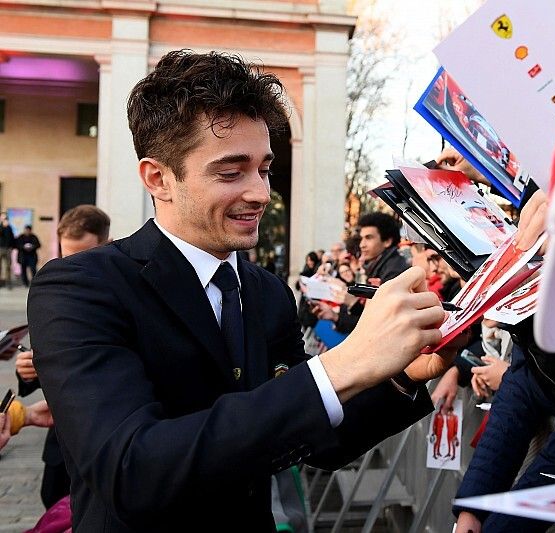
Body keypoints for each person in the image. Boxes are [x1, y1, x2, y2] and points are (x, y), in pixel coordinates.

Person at [28, 50, 453, 533]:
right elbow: (132, 471)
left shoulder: (266, 292)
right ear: (158, 178)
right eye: (231, 172)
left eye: (265, 169)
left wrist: (402, 376)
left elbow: (318, 439)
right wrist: (343, 364)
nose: (260, 193)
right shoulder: (81, 287)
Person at [16, 204, 111, 509]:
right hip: (60, 446)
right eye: (65, 254)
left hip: (109, 442)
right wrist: (28, 369)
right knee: (53, 506)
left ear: (106, 244)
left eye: (81, 254)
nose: (70, 264)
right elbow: (44, 358)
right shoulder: (56, 290)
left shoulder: (125, 291)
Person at [0, 213, 15, 288]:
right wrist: (2, 227)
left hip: (8, 249)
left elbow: (11, 237)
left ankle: (8, 283)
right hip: (0, 248)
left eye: (5, 218)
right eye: (2, 218)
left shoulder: (9, 227)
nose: (4, 219)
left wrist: (11, 247)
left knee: (8, 266)